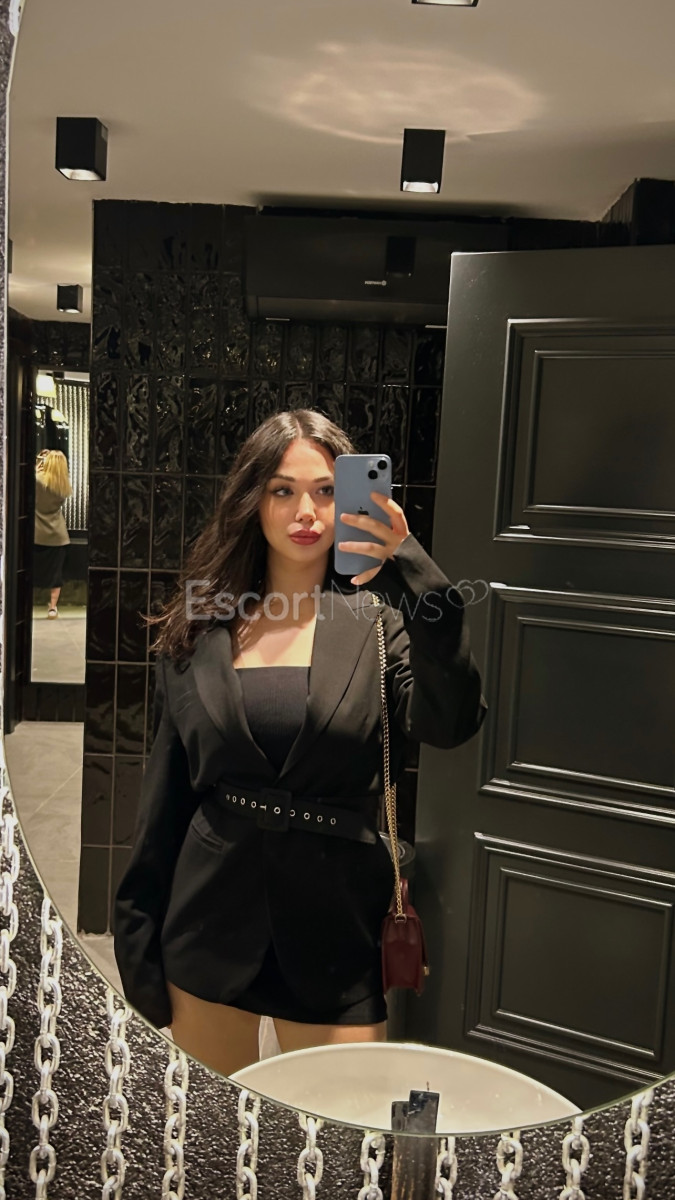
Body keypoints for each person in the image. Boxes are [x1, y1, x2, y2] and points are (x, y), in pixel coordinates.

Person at [113, 409, 488, 1076]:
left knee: (341, 1132)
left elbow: (450, 721)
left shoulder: (381, 623)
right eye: (282, 490)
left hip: (335, 932)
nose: (305, 511)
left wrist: (410, 568)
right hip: (208, 925)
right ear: (251, 501)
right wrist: (137, 937)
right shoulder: (202, 627)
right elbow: (165, 798)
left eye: (326, 491)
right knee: (212, 1129)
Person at [33, 449, 72, 618]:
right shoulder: (63, 485)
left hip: (37, 532)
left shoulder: (37, 480)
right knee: (56, 574)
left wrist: (37, 464)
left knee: (31, 570)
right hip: (57, 534)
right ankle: (53, 608)